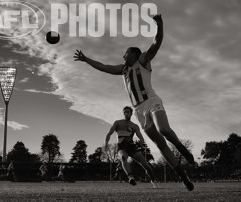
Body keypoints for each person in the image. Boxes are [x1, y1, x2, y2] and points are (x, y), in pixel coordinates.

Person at [74, 13, 195, 191]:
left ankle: (181, 148)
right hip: (138, 110)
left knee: (164, 130)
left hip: (152, 101)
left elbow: (157, 42)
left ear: (134, 53)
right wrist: (86, 60)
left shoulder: (143, 60)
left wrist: (159, 23)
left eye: (126, 52)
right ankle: (183, 176)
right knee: (160, 144)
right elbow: (104, 67)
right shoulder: (123, 70)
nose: (123, 56)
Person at [105, 106, 159, 188]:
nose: (126, 113)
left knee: (146, 165)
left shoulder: (135, 126)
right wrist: (106, 144)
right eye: (124, 112)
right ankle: (130, 178)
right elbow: (109, 134)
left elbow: (141, 138)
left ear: (131, 113)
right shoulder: (117, 123)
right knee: (123, 157)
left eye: (127, 112)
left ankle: (153, 180)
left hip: (132, 147)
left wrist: (140, 142)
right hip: (121, 147)